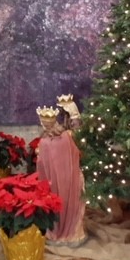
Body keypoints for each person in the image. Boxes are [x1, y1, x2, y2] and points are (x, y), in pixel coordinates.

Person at [35, 103, 87, 247]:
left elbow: (41, 164)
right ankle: (65, 233)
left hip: (66, 179)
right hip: (61, 180)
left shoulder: (50, 141)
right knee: (61, 202)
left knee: (65, 201)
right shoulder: (59, 137)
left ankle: (67, 233)